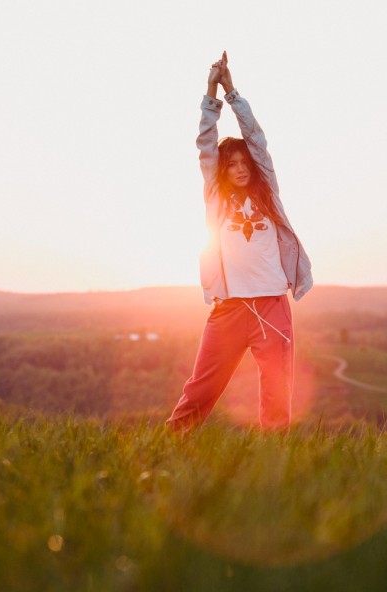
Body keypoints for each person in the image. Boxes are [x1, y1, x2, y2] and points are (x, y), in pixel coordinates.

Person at [166, 52, 313, 431]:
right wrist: (210, 92)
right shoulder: (216, 194)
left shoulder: (268, 191)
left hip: (271, 305)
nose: (241, 168)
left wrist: (233, 93)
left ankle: (273, 458)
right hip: (229, 308)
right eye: (232, 164)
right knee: (201, 388)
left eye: (245, 162)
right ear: (223, 169)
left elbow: (257, 139)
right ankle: (171, 441)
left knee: (277, 391)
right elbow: (205, 143)